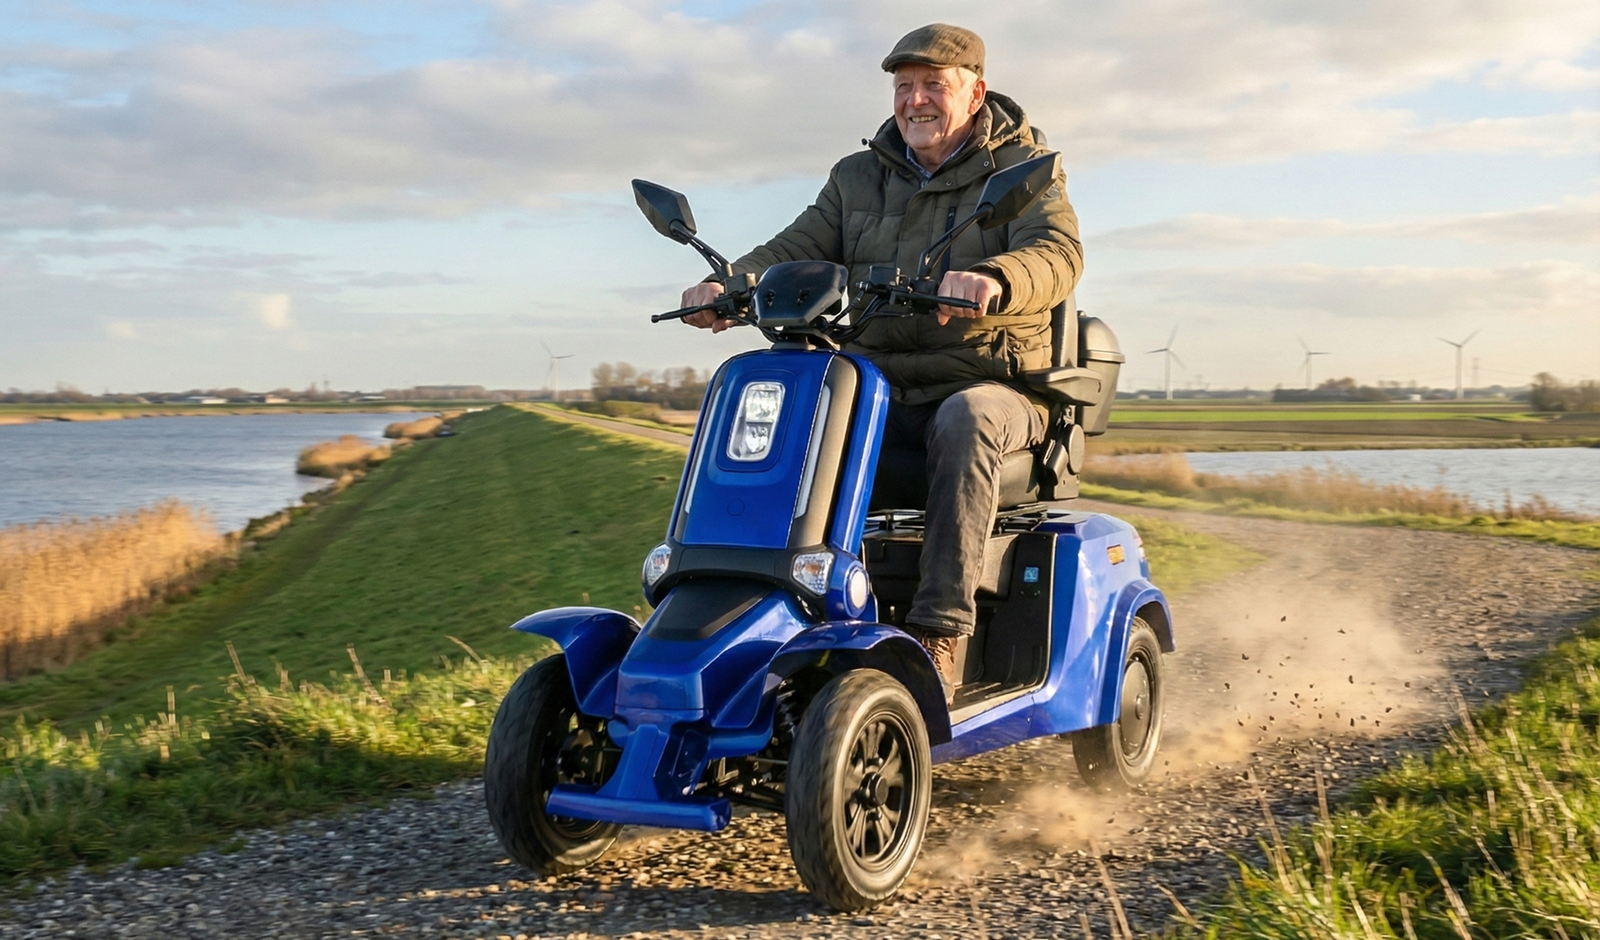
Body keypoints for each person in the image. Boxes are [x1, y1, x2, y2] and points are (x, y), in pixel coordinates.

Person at [679, 24, 1083, 699]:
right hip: (878, 385)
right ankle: (763, 612)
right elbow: (798, 243)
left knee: (967, 418)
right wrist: (731, 284)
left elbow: (1056, 253)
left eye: (934, 85)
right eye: (904, 87)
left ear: (975, 91)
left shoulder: (1025, 170)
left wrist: (996, 277)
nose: (916, 101)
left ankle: (940, 633)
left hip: (990, 383)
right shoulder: (858, 176)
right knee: (796, 414)